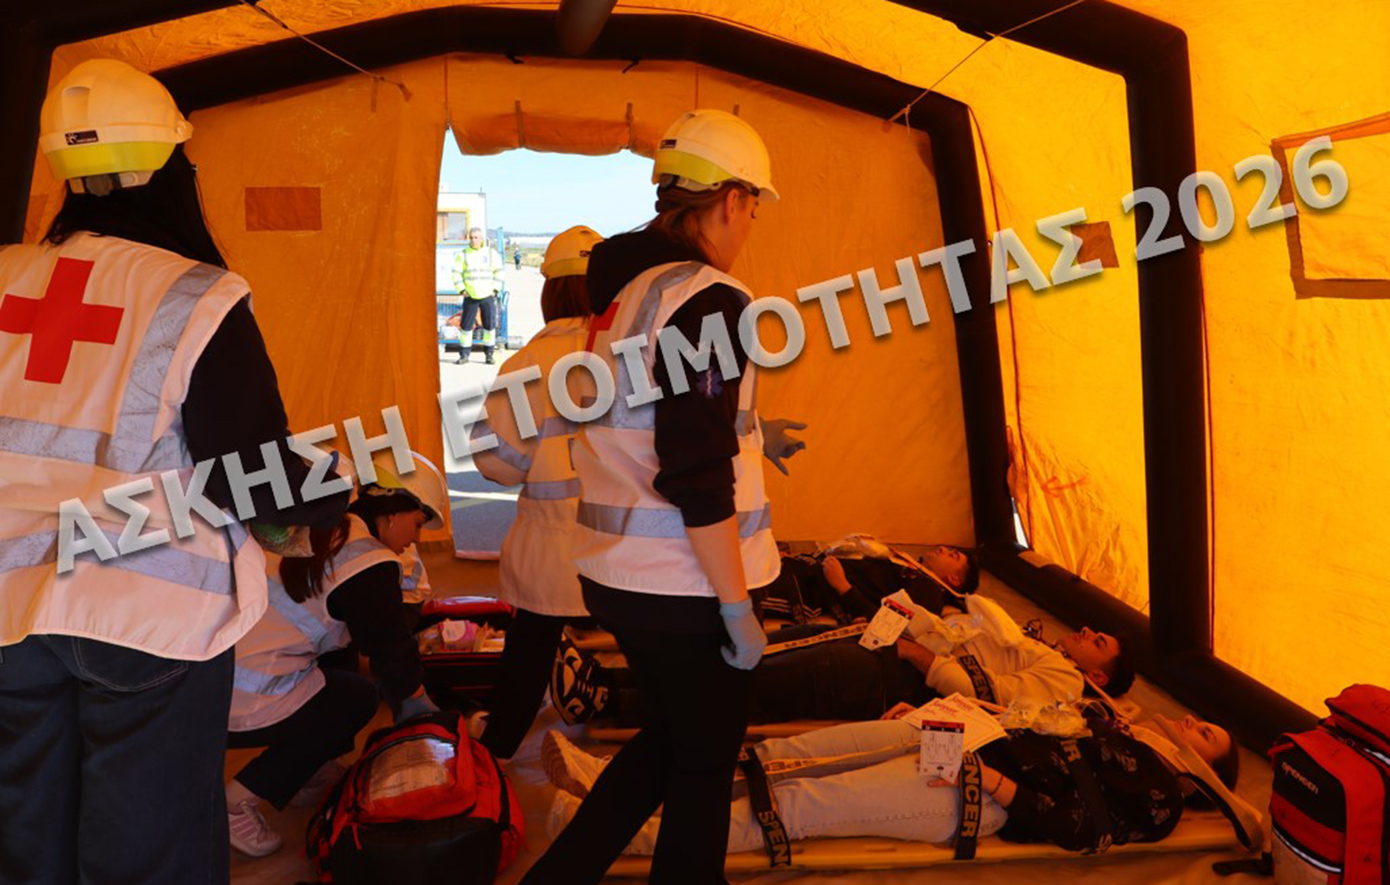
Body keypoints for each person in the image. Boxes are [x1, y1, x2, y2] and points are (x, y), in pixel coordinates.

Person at [0, 59, 349, 883]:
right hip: (147, 612)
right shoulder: (196, 293)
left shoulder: (7, 272)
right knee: (147, 850)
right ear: (167, 165)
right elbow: (248, 475)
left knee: (26, 837)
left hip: (11, 605)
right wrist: (333, 485)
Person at [520, 109, 786, 885]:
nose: (752, 225)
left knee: (670, 742)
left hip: (618, 573)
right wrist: (735, 606)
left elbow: (660, 422)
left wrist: (754, 436)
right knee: (702, 765)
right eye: (755, 207)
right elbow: (694, 468)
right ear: (732, 200)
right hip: (685, 585)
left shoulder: (627, 292)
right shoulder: (708, 299)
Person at [543, 706, 1244, 857]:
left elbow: (1082, 831)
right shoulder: (1122, 731)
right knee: (785, 756)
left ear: (1204, 774)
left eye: (1205, 731)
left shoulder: (1160, 798)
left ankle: (618, 834)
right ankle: (610, 785)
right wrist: (952, 717)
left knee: (799, 803)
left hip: (979, 794)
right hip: (963, 738)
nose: (1192, 721)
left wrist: (995, 784)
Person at [225, 452, 449, 856]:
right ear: (394, 512)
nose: (417, 538)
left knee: (341, 665)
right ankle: (236, 802)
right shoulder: (369, 560)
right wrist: (421, 704)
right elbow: (390, 649)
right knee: (356, 700)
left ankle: (308, 771)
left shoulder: (330, 525)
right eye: (418, 524)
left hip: (215, 675)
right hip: (245, 694)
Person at [467, 225, 602, 759]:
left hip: (551, 551)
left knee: (528, 652)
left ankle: (500, 745)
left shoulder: (524, 366)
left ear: (550, 290)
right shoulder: (637, 353)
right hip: (628, 551)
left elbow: (497, 465)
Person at [759, 543, 979, 625]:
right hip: (803, 568)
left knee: (747, 593)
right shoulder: (911, 569)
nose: (943, 549)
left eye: (953, 555)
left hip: (807, 588)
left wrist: (842, 586)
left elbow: (891, 623)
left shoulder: (930, 593)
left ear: (954, 580)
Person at [452, 227, 503, 364]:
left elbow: (499, 272)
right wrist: (462, 290)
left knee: (489, 326)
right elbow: (456, 273)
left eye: (476, 237)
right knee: (466, 327)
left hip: (487, 295)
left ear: (481, 239)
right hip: (470, 296)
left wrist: (495, 289)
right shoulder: (463, 254)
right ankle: (464, 355)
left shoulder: (491, 254)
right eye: (471, 237)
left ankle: (489, 354)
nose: (473, 240)